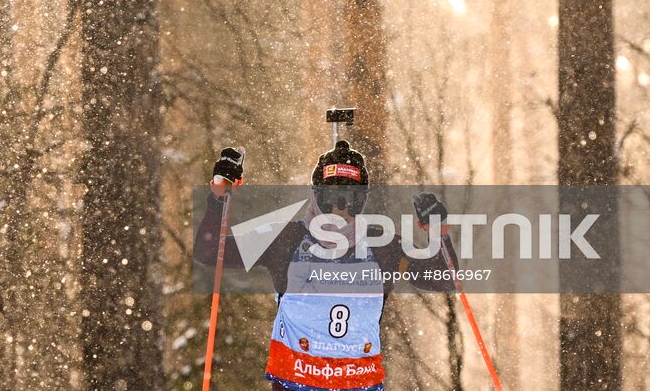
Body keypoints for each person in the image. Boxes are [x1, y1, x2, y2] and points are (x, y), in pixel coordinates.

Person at [194, 142, 455, 391]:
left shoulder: (383, 246)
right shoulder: (285, 240)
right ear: (316, 196)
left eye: (351, 199)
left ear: (362, 202)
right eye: (331, 197)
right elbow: (208, 251)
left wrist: (438, 230)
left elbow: (447, 278)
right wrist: (219, 193)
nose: (340, 209)